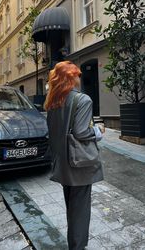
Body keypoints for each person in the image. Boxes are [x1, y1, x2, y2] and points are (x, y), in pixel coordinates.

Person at [44, 61, 105, 250]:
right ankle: (77, 246)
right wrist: (98, 130)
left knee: (72, 207)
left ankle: (74, 243)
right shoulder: (83, 100)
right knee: (80, 210)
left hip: (62, 163)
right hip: (79, 164)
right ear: (71, 77)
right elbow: (81, 132)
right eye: (77, 75)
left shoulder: (53, 102)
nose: (80, 78)